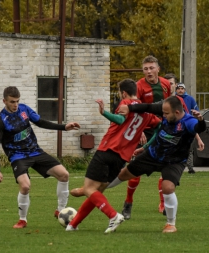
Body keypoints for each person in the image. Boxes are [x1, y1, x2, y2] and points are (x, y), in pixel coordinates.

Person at [70, 56, 172, 218]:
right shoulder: (138, 86)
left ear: (158, 69)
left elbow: (166, 107)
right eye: (145, 69)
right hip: (141, 130)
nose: (149, 72)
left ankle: (162, 204)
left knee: (167, 168)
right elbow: (133, 109)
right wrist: (142, 132)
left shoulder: (166, 84)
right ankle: (127, 202)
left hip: (158, 128)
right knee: (132, 171)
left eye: (151, 68)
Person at [66, 79, 161, 233]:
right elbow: (160, 127)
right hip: (122, 158)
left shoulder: (125, 103)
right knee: (96, 192)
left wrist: (104, 113)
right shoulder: (147, 112)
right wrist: (146, 146)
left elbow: (120, 119)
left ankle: (113, 216)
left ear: (123, 92)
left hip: (108, 149)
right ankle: (73, 225)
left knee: (89, 189)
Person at [108, 96, 206, 233]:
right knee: (124, 174)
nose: (163, 116)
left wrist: (201, 120)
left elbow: (198, 128)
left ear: (177, 113)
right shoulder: (166, 111)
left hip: (174, 161)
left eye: (166, 114)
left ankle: (171, 224)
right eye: (163, 113)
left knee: (168, 187)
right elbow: (147, 107)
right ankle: (95, 189)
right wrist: (129, 108)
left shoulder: (188, 121)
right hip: (152, 155)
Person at [0, 86, 80, 228]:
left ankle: (60, 211)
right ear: (4, 101)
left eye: (17, 101)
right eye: (12, 102)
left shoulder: (24, 109)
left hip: (35, 152)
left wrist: (64, 127)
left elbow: (41, 122)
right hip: (17, 156)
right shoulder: (1, 120)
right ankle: (23, 220)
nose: (15, 105)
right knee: (25, 186)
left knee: (64, 175)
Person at [175, 82, 204, 174]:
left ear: (184, 90)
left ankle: (190, 167)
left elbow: (196, 110)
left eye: (182, 89)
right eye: (178, 88)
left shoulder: (190, 99)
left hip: (188, 125)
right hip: (177, 126)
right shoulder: (173, 99)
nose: (180, 90)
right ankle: (175, 166)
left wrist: (194, 119)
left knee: (189, 148)